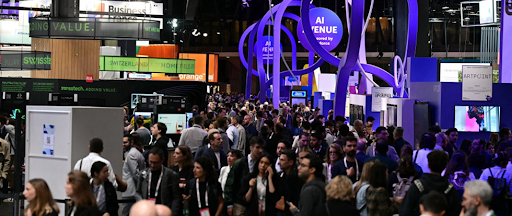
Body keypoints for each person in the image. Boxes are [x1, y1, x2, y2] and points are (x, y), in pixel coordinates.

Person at [399, 150, 461, 216]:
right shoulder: (451, 190)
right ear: (445, 167)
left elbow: (405, 212)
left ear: (428, 165)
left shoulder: (416, 186)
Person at [224, 136, 265, 216]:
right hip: (239, 202)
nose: (260, 150)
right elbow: (230, 183)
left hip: (255, 202)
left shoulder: (262, 163)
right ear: (251, 148)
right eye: (257, 147)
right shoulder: (240, 163)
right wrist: (229, 204)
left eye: (262, 148)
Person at [136, 147, 181, 215]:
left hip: (164, 211)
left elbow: (176, 198)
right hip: (147, 212)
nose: (152, 165)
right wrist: (142, 205)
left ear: (162, 160)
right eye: (150, 162)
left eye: (155, 163)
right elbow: (138, 193)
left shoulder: (171, 175)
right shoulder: (143, 174)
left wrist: (172, 213)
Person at [121, 133, 146, 216]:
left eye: (125, 142)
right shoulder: (137, 152)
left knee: (125, 213)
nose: (123, 145)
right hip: (133, 190)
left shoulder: (131, 154)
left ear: (131, 143)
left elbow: (135, 173)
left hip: (130, 190)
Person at [277, 150, 304, 216]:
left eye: (282, 160)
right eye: (279, 160)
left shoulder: (296, 178)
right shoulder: (281, 175)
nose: (279, 162)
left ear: (291, 162)